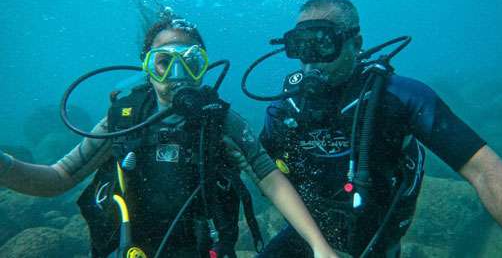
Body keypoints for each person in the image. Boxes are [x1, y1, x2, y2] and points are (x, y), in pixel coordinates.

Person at [0, 13, 339, 258]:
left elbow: (269, 178)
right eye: (164, 62)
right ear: (147, 67)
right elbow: (56, 179)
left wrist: (320, 246)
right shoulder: (123, 119)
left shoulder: (221, 121)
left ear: (204, 67)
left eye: (191, 62)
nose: (178, 75)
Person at [241, 0, 502, 257]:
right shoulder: (285, 109)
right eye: (298, 47)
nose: (310, 62)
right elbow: (262, 172)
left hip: (376, 231)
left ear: (355, 43)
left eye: (322, 44)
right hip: (310, 229)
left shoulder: (399, 98)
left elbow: (485, 170)